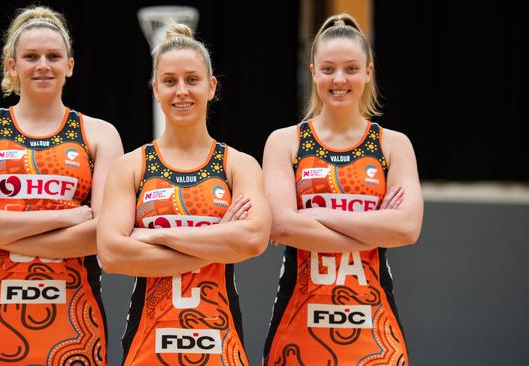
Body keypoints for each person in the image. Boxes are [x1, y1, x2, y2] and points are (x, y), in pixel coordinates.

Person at [0, 5, 123, 365]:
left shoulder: (99, 134)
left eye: (54, 56)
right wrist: (65, 218)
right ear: (12, 66)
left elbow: (103, 236)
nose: (43, 65)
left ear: (69, 66)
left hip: (75, 321)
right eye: (31, 56)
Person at [96, 24, 271, 365]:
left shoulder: (239, 164)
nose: (182, 91)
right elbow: (113, 254)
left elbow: (252, 239)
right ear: (156, 89)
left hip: (220, 342)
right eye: (170, 81)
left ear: (211, 86)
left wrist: (155, 235)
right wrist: (219, 240)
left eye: (192, 79)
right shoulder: (131, 166)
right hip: (148, 343)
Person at [262, 13, 423, 365]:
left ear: (368, 72)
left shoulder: (393, 145)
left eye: (351, 68)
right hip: (298, 323)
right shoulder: (285, 142)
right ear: (313, 71)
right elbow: (281, 226)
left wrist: (315, 215)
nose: (339, 79)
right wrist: (376, 225)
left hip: (374, 328)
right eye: (328, 69)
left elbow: (407, 228)